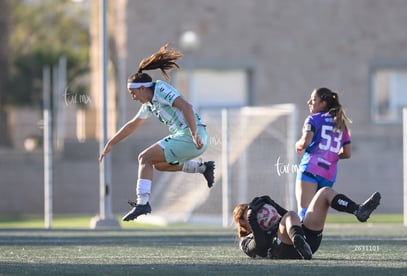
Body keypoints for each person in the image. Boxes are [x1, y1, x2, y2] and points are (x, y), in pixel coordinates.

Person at [99, 44, 215, 221]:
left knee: (143, 158)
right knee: (157, 164)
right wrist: (111, 142)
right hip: (190, 139)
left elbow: (186, 107)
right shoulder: (149, 103)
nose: (133, 97)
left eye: (133, 92)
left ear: (143, 88)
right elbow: (132, 125)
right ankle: (202, 167)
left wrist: (193, 134)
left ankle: (142, 203)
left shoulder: (160, 89)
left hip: (192, 136)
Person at [233, 188, 381, 260]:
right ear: (242, 222)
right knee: (291, 215)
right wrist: (253, 218)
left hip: (308, 243)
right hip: (284, 251)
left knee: (324, 192)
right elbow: (261, 245)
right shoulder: (245, 242)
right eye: (250, 216)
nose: (259, 216)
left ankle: (358, 210)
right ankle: (299, 240)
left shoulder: (281, 224)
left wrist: (273, 204)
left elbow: (289, 217)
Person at [295, 87, 352, 221]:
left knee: (304, 211)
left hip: (311, 169)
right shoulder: (340, 123)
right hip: (328, 174)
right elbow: (347, 153)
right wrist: (330, 155)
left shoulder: (313, 119)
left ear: (323, 103)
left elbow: (305, 142)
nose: (309, 102)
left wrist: (297, 145)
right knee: (317, 215)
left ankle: (302, 240)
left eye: (313, 99)